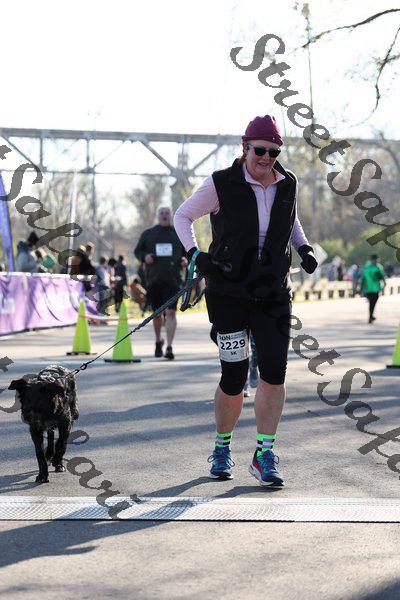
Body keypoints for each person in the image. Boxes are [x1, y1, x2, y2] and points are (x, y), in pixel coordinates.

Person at [174, 114, 317, 486]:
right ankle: (222, 447)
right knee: (234, 376)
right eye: (260, 150)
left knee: (274, 373)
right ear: (245, 146)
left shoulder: (288, 183)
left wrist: (303, 248)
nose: (266, 158)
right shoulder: (221, 183)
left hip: (273, 294)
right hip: (229, 294)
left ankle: (264, 454)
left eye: (274, 152)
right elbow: (182, 216)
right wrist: (195, 255)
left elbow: (290, 219)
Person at [134, 205, 188, 360]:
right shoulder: (149, 234)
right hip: (154, 280)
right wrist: (144, 257)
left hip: (173, 281)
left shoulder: (178, 233)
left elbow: (188, 252)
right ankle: (159, 341)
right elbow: (137, 251)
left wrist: (185, 260)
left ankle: (169, 347)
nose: (164, 215)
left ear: (171, 215)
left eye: (167, 213)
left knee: (170, 312)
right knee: (157, 314)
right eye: (162, 213)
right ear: (158, 216)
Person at [360, 254, 386, 323]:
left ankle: (371, 316)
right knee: (373, 302)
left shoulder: (366, 267)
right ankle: (371, 316)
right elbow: (382, 276)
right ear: (375, 259)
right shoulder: (378, 267)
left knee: (371, 302)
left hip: (367, 288)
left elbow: (362, 278)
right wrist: (384, 282)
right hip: (375, 288)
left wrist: (361, 288)